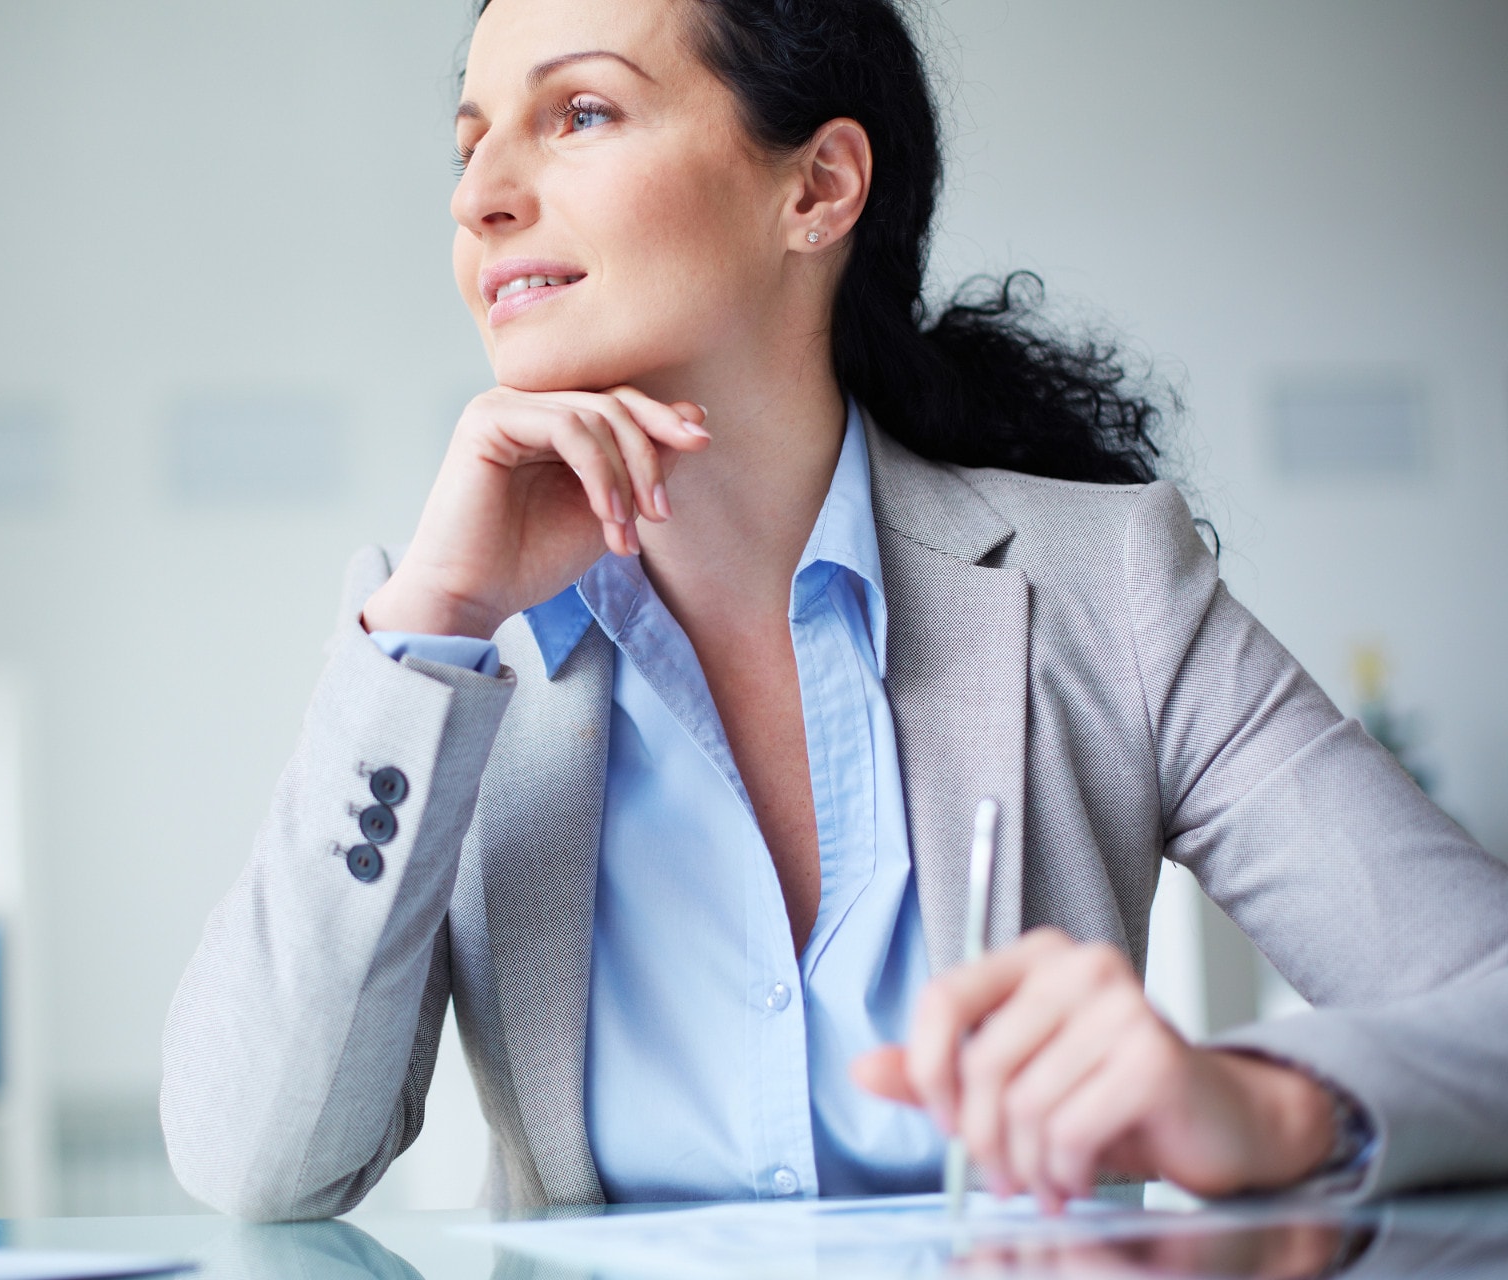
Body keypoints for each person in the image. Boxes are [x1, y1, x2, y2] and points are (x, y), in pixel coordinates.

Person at [160, 0, 1508, 1221]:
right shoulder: (441, 652)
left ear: (817, 187)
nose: (482, 197)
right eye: (469, 143)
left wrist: (1259, 1102)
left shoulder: (1109, 589)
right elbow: (257, 1163)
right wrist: (435, 621)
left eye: (579, 113)